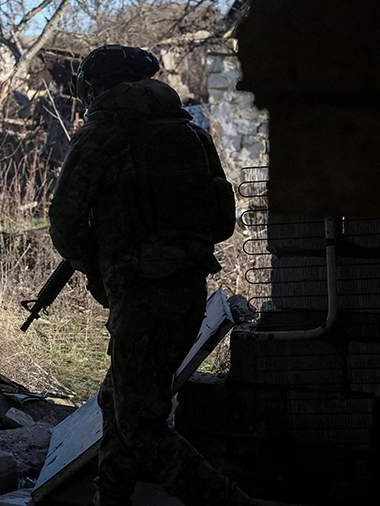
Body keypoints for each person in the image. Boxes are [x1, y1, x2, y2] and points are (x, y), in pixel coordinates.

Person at [49, 44, 282, 506]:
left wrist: (97, 269)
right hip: (187, 287)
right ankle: (111, 498)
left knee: (140, 422)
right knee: (118, 402)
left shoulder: (101, 132)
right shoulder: (189, 131)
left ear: (96, 88)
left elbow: (65, 220)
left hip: (138, 293)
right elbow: (221, 220)